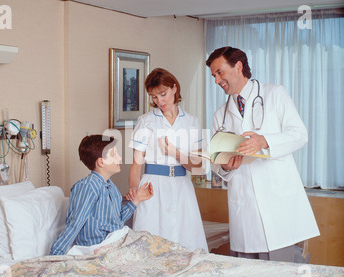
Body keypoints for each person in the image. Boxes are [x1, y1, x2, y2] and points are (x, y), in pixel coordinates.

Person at [206, 46, 319, 262]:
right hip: (243, 211)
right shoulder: (220, 114)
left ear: (238, 66)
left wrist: (263, 140)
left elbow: (299, 135)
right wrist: (225, 167)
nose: (216, 80)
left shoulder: (274, 94)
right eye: (213, 75)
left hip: (277, 205)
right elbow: (217, 162)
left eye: (219, 72)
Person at [126, 68, 208, 252]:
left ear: (174, 88)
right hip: (152, 187)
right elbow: (137, 163)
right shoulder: (146, 121)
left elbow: (198, 166)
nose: (159, 101)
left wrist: (176, 153)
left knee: (186, 242)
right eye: (154, 97)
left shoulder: (191, 121)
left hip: (182, 186)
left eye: (163, 94)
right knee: (149, 242)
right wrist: (133, 189)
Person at [50, 134, 153, 255]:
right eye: (114, 155)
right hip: (97, 248)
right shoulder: (88, 186)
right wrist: (55, 256)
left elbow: (117, 220)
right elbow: (75, 224)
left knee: (149, 242)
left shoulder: (111, 187)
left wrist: (136, 200)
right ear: (101, 162)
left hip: (113, 243)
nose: (119, 158)